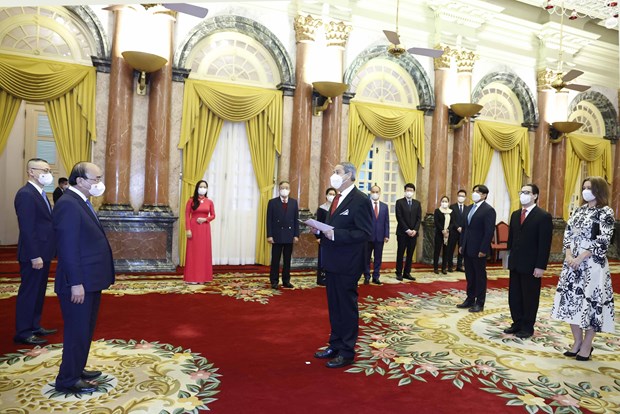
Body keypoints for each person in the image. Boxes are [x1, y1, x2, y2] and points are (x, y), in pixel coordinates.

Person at [53, 161, 115, 394]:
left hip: (90, 280)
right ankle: (67, 380)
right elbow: (67, 248)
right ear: (80, 180)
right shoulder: (68, 204)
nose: (99, 183)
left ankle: (77, 368)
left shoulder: (81, 201)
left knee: (85, 330)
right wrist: (76, 282)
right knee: (76, 331)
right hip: (78, 283)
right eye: (96, 179)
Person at [313, 162, 373, 368]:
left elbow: (364, 233)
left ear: (348, 175)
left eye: (337, 172)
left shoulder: (361, 200)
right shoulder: (336, 198)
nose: (334, 175)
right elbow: (334, 226)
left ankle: (347, 351)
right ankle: (335, 345)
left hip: (348, 263)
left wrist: (335, 234)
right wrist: (320, 230)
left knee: (346, 307)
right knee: (335, 306)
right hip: (332, 260)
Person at [551, 176, 615, 361]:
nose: (586, 191)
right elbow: (568, 233)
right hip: (572, 266)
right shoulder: (579, 210)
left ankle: (587, 345)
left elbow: (603, 240)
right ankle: (577, 341)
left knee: (591, 304)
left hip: (592, 265)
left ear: (599, 191)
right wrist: (570, 255)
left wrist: (580, 257)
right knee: (572, 303)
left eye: (590, 188)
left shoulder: (605, 212)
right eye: (584, 187)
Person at [13, 158, 57, 346]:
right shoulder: (26, 194)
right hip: (34, 254)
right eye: (44, 170)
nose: (48, 173)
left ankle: (34, 325)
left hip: (43, 252)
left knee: (38, 292)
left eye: (49, 170)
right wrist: (34, 255)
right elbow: (27, 228)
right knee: (29, 292)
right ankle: (23, 331)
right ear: (31, 172)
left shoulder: (39, 193)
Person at [504, 184, 553, 339]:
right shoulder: (515, 214)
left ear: (535, 196)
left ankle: (527, 326)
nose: (523, 195)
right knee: (515, 295)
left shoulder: (543, 216)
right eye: (521, 192)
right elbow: (511, 239)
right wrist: (508, 259)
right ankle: (517, 322)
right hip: (516, 262)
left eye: (527, 192)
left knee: (529, 296)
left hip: (532, 265)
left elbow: (544, 244)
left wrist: (540, 266)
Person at [457, 184, 496, 313]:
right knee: (470, 275)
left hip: (479, 249)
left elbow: (489, 232)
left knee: (479, 276)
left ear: (484, 195)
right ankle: (470, 299)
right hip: (467, 247)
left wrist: (483, 249)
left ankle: (480, 302)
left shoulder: (488, 210)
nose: (475, 193)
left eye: (478, 192)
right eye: (474, 191)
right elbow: (465, 229)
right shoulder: (468, 208)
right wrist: (462, 244)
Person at [266, 181, 299, 289]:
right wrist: (269, 235)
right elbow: (269, 220)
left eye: (286, 187)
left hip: (289, 235)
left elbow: (295, 220)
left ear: (289, 189)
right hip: (276, 236)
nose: (284, 189)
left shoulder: (294, 202)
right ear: (279, 189)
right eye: (282, 187)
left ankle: (286, 281)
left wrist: (296, 235)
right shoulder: (272, 202)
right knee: (275, 260)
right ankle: (274, 281)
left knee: (287, 260)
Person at [184, 180, 216, 284]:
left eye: (205, 187)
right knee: (194, 252)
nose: (203, 188)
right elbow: (186, 215)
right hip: (194, 228)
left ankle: (203, 277)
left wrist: (205, 219)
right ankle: (192, 277)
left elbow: (213, 215)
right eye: (201, 186)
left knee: (203, 252)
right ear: (197, 187)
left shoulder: (209, 201)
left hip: (205, 229)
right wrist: (188, 229)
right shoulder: (191, 200)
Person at [395, 183, 421, 281]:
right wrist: (407, 230)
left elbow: (419, 218)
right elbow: (399, 217)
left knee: (410, 254)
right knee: (400, 253)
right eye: (408, 190)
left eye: (411, 190)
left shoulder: (417, 203)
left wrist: (415, 230)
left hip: (413, 234)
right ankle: (398, 273)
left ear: (413, 192)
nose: (409, 192)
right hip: (402, 233)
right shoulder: (399, 202)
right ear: (405, 191)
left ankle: (407, 273)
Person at [364, 185, 389, 285]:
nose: (375, 193)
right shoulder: (366, 205)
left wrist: (386, 235)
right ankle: (366, 276)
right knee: (366, 258)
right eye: (373, 192)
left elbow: (386, 222)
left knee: (378, 258)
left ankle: (376, 276)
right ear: (370, 192)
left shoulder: (384, 206)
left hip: (380, 236)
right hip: (368, 237)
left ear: (380, 193)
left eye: (377, 192)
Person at [315, 187, 337, 286]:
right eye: (330, 194)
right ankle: (322, 278)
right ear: (326, 195)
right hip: (323, 237)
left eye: (333, 194)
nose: (331, 196)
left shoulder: (337, 208)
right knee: (323, 258)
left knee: (333, 258)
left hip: (334, 237)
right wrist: (318, 237)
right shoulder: (321, 208)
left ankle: (332, 278)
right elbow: (317, 224)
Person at [448, 189, 468, 272]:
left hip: (463, 232)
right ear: (457, 196)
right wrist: (457, 227)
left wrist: (462, 228)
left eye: (463, 196)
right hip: (454, 231)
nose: (461, 197)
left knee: (461, 249)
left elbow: (467, 220)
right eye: (460, 196)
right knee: (451, 249)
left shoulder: (467, 208)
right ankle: (449, 266)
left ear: (465, 197)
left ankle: (459, 266)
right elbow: (451, 219)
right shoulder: (452, 207)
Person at [433, 196, 452, 275]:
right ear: (440, 202)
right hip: (439, 234)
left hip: (448, 234)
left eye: (446, 201)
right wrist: (442, 230)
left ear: (448, 202)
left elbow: (453, 222)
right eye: (443, 201)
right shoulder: (437, 211)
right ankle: (436, 267)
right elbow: (436, 222)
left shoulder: (451, 211)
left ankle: (444, 268)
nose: (444, 203)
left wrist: (447, 230)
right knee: (437, 251)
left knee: (446, 251)